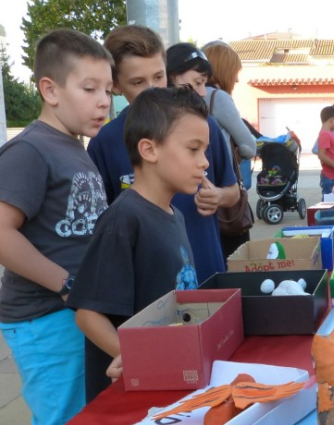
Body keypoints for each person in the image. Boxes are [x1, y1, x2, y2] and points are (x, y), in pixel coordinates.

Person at [0, 29, 113, 425]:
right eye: (89, 88)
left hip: (75, 310)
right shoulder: (31, 150)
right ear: (49, 89)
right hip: (44, 315)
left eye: (107, 89)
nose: (104, 100)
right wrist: (66, 285)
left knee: (87, 420)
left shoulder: (75, 147)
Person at [70, 87, 205, 401]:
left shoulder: (175, 215)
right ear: (149, 149)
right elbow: (88, 315)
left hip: (170, 382)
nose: (204, 162)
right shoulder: (123, 220)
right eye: (193, 149)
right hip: (131, 397)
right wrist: (138, 359)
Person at [88, 28, 238, 284]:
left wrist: (219, 197)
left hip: (208, 274)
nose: (151, 90)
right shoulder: (104, 143)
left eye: (158, 77)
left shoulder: (203, 125)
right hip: (148, 290)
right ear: (115, 85)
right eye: (138, 82)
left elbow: (233, 190)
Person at [201, 41, 257, 258]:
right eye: (234, 72)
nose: (236, 79)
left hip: (199, 188)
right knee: (234, 258)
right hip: (222, 188)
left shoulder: (184, 97)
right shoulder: (218, 98)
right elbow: (249, 146)